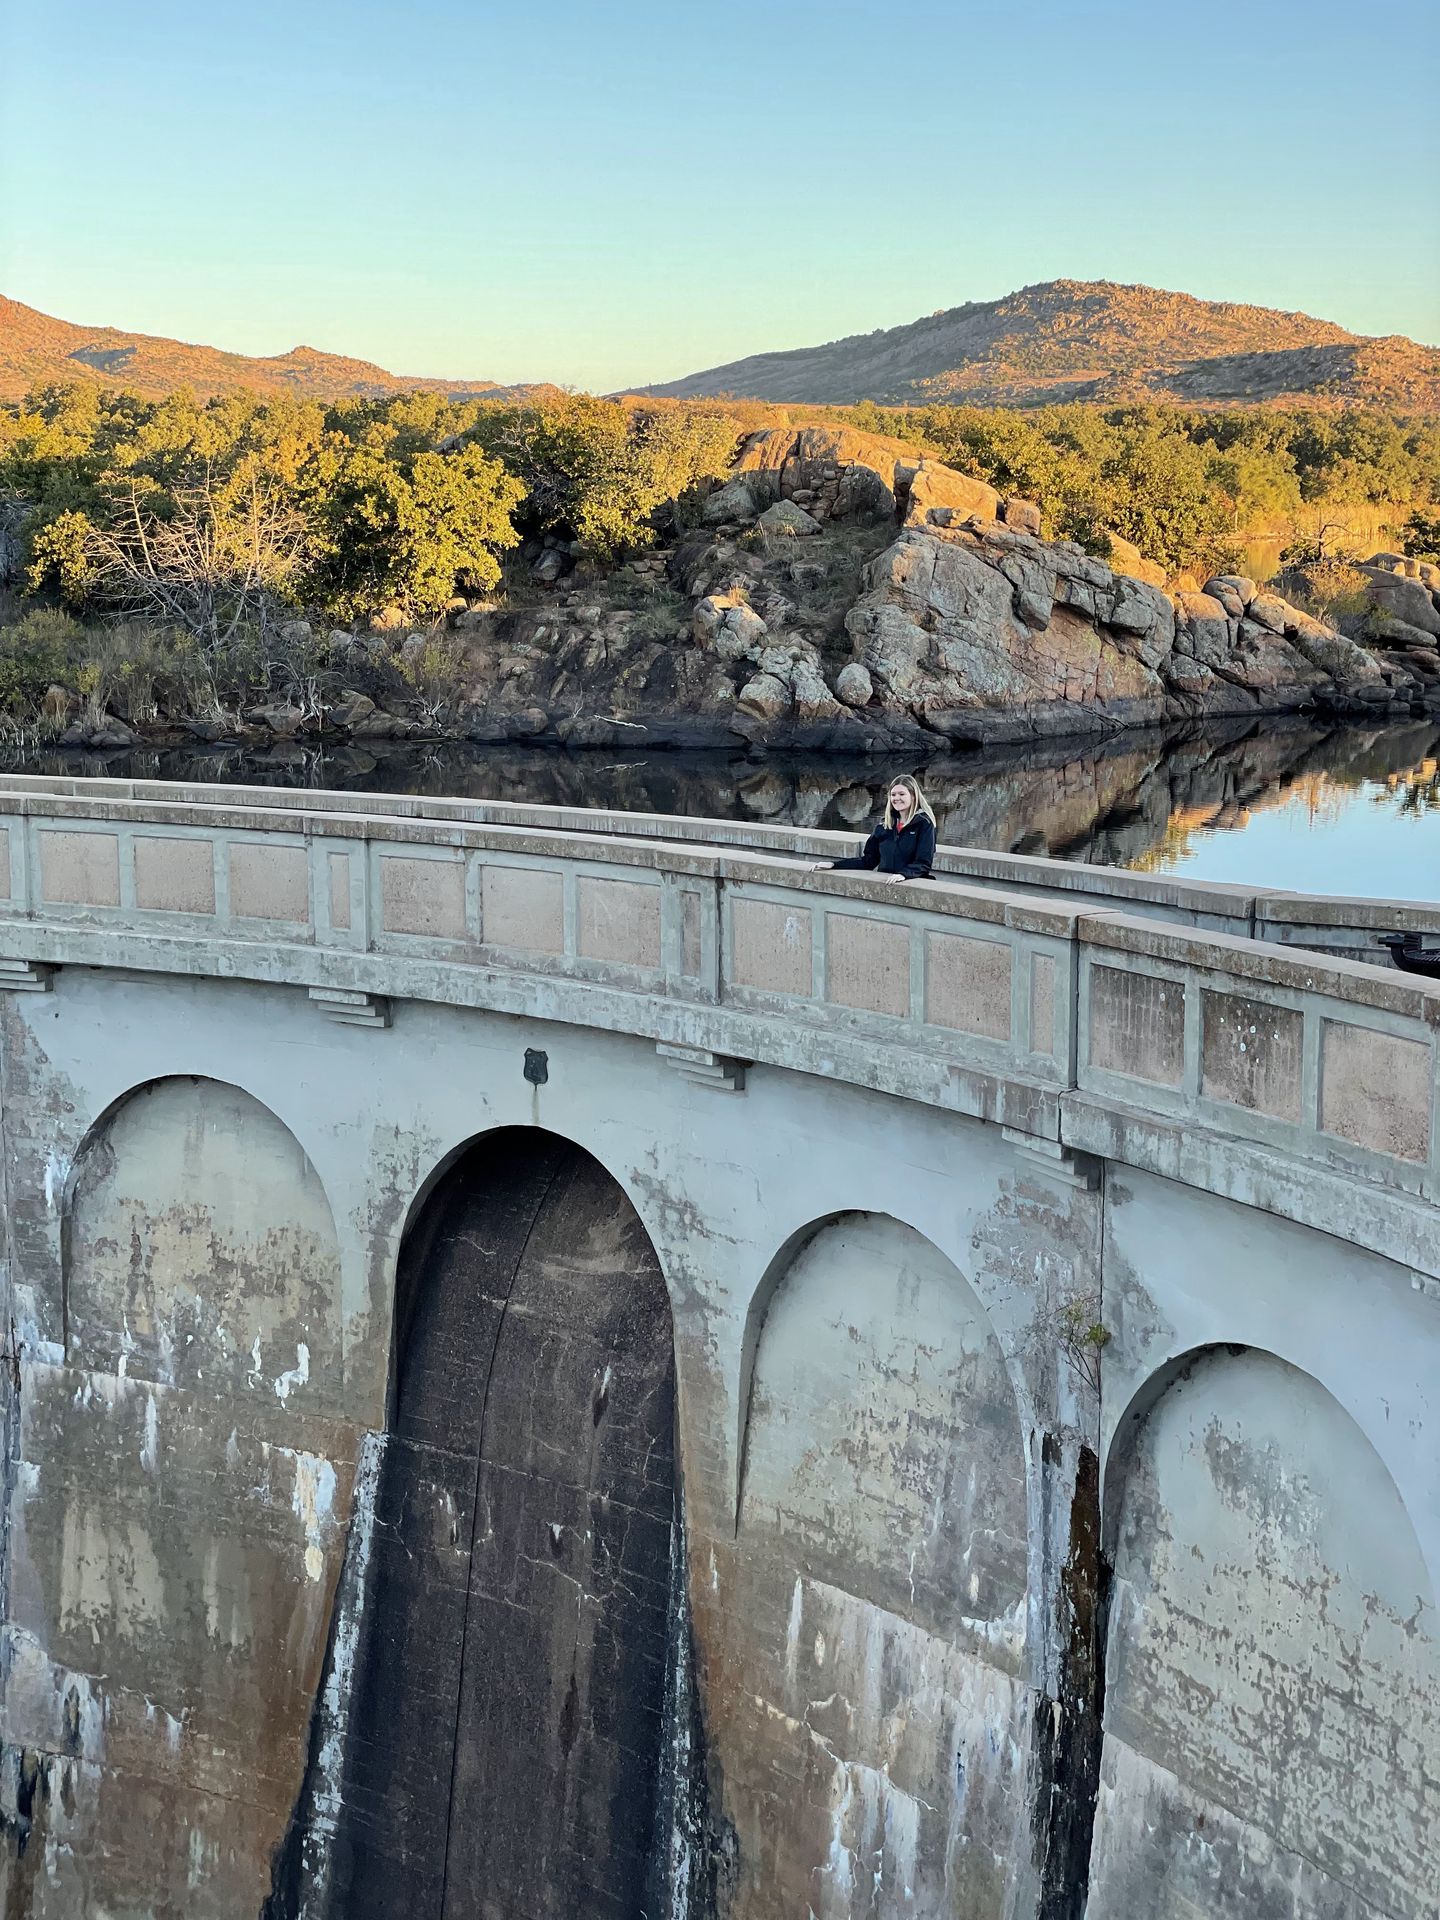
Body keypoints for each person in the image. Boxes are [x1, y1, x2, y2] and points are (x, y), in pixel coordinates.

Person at [824, 775, 937, 883]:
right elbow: (869, 861)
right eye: (893, 795)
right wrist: (834, 865)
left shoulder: (924, 824)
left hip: (912, 885)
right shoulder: (884, 825)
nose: (897, 798)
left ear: (913, 796)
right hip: (886, 883)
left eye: (902, 794)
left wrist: (904, 875)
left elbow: (923, 862)